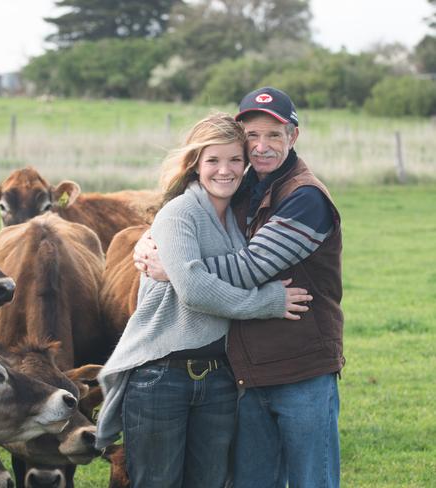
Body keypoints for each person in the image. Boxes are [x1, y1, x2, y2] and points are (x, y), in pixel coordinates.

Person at [134, 87, 345, 488]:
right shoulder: (243, 187)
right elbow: (185, 219)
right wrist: (145, 242)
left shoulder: (305, 198)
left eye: (274, 135)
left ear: (293, 137)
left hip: (302, 368)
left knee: (311, 480)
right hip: (247, 373)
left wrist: (177, 270)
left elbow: (252, 267)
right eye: (252, 136)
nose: (262, 147)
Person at [95, 112, 313, 488]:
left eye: (235, 160)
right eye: (213, 160)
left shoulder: (243, 216)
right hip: (161, 375)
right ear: (195, 164)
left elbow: (241, 267)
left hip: (220, 376)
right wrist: (268, 303)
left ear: (246, 164)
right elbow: (194, 292)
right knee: (157, 482)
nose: (224, 170)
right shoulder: (178, 214)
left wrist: (179, 269)